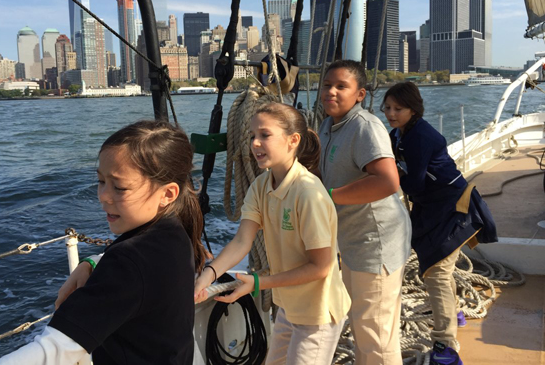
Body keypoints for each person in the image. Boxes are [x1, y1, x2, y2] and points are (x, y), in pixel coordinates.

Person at [0, 120, 206, 365]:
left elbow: (54, 351)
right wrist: (93, 262)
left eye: (120, 187)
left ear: (167, 194)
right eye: (101, 181)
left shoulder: (128, 261)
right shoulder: (176, 233)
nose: (103, 195)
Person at [194, 102, 349, 365]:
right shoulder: (260, 185)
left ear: (293, 140)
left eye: (264, 135)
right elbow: (243, 240)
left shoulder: (309, 193)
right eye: (252, 136)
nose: (255, 143)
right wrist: (209, 274)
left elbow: (321, 267)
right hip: (288, 308)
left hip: (317, 313)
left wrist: (258, 283)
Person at [382, 82, 496, 365]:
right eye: (387, 108)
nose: (391, 114)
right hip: (431, 208)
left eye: (399, 108)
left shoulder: (419, 137)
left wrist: (383, 176)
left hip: (452, 208)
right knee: (434, 267)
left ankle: (446, 343)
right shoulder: (399, 133)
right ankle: (454, 314)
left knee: (437, 273)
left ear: (413, 110)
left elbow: (414, 183)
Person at [318, 60, 412, 365]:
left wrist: (328, 197)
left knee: (375, 334)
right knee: (362, 324)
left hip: (376, 241)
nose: (331, 92)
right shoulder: (328, 125)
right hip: (354, 239)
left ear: (359, 94)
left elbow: (388, 181)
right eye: (327, 85)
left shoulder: (364, 126)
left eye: (341, 86)